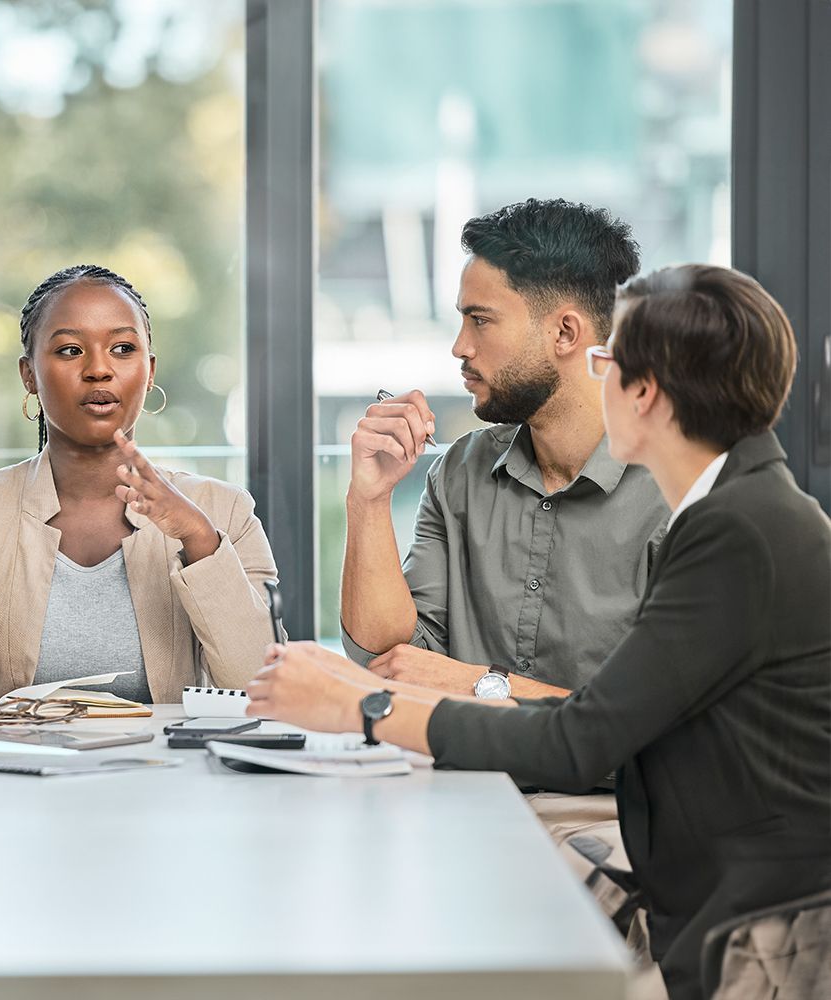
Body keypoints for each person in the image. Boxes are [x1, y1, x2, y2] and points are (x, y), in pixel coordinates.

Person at [248, 264, 831, 1000]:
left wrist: (362, 709)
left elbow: (579, 741)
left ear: (645, 393)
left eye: (607, 364)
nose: (597, 382)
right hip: (731, 907)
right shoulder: (744, 511)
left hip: (764, 938)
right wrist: (362, 690)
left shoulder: (740, 531)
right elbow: (592, 719)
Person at [339, 198, 666, 891]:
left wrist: (479, 686)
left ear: (566, 331)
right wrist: (368, 498)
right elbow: (387, 658)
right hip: (457, 799)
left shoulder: (675, 491)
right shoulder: (459, 470)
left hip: (610, 820)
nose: (459, 346)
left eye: (479, 320)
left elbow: (663, 741)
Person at [0, 264, 278, 701]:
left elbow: (261, 688)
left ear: (149, 372)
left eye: (122, 348)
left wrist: (198, 538)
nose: (99, 369)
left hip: (166, 767)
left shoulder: (222, 509)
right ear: (29, 374)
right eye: (71, 351)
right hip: (12, 764)